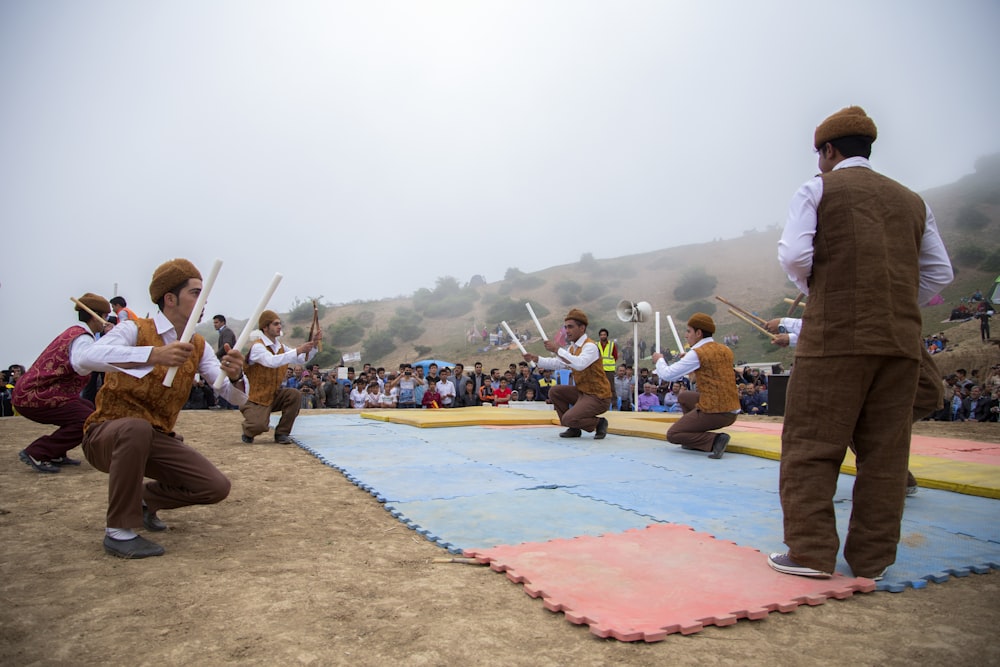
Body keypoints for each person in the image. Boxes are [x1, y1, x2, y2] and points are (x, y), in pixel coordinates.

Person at [768, 106, 953, 580]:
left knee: (812, 443)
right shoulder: (913, 201)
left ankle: (810, 553)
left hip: (836, 335)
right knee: (887, 454)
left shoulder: (817, 188)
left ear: (828, 150)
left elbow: (793, 253)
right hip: (899, 341)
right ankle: (872, 559)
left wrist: (821, 290)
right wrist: (888, 295)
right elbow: (939, 273)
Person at [81, 258, 249, 558]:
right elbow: (85, 358)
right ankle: (119, 531)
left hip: (155, 439)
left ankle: (145, 501)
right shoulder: (135, 329)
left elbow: (230, 394)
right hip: (107, 435)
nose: (204, 300)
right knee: (135, 428)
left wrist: (236, 376)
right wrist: (154, 354)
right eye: (196, 293)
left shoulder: (198, 346)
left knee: (215, 486)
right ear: (170, 299)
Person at [13, 294, 115, 473]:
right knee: (87, 419)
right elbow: (81, 366)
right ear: (95, 316)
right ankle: (38, 452)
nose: (105, 321)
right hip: (36, 395)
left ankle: (56, 451)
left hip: (33, 392)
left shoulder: (75, 332)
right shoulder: (83, 338)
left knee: (86, 407)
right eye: (105, 316)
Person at [652, 313, 740, 458]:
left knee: (674, 434)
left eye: (688, 331)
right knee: (685, 397)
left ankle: (715, 440)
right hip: (732, 408)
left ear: (698, 333)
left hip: (715, 410)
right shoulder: (725, 349)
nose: (686, 335)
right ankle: (694, 438)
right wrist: (690, 364)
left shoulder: (697, 353)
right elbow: (708, 373)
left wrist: (659, 360)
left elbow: (668, 375)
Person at [522, 309, 610, 439]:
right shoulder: (572, 348)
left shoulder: (590, 347)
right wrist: (536, 359)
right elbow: (558, 363)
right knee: (555, 391)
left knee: (567, 419)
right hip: (582, 393)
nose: (567, 331)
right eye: (565, 327)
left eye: (570, 327)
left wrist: (557, 349)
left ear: (582, 328)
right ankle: (574, 427)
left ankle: (599, 423)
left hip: (598, 397)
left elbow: (579, 364)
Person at [240, 310, 319, 444]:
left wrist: (313, 346)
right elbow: (272, 361)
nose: (279, 326)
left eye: (280, 324)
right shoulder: (257, 347)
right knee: (259, 426)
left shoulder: (281, 347)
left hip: (274, 394)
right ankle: (249, 429)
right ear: (265, 327)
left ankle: (282, 433)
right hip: (256, 398)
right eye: (275, 324)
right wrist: (299, 349)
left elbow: (300, 360)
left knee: (294, 395)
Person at [597, 328, 618, 410]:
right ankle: (599, 406)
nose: (603, 336)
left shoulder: (612, 345)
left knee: (611, 388)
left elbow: (615, 356)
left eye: (604, 335)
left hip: (609, 370)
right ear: (599, 336)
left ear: (607, 336)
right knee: (599, 388)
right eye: (601, 335)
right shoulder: (597, 345)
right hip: (599, 370)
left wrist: (609, 364)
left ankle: (614, 406)